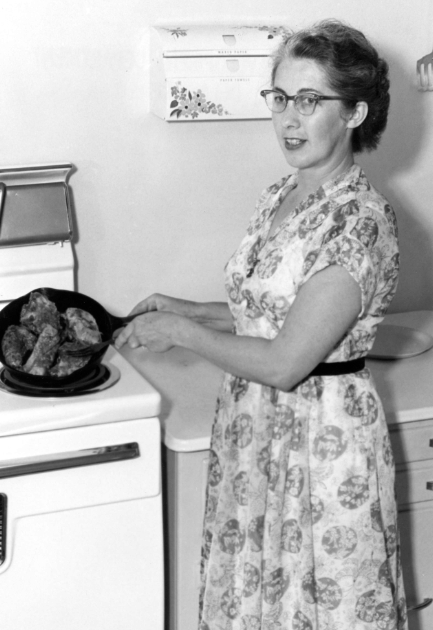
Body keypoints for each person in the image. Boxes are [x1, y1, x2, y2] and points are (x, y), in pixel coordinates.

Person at [115, 19, 407, 630]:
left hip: (321, 444)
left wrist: (182, 333)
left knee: (316, 606)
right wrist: (191, 308)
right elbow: (274, 311)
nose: (288, 119)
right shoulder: (282, 194)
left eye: (309, 100)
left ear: (355, 112)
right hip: (255, 433)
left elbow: (285, 360)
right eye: (279, 98)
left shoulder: (360, 222)